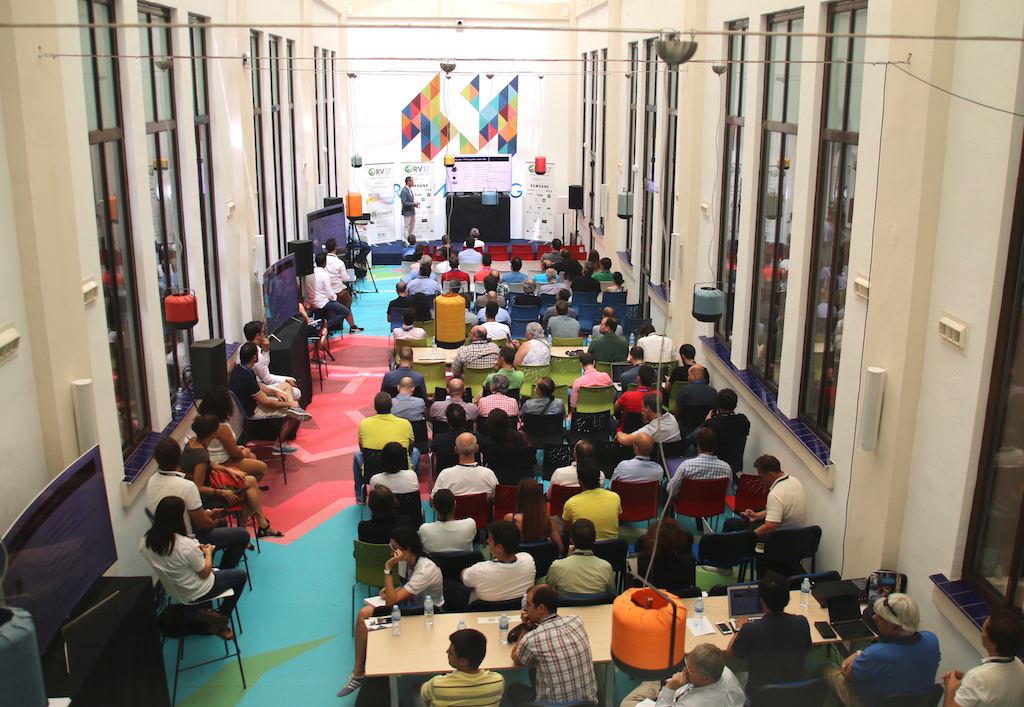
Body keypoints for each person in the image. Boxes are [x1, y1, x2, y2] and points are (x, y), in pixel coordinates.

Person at [337, 526, 445, 697]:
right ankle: (358, 672)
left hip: (426, 614)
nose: (391, 552)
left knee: (374, 612)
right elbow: (404, 589)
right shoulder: (404, 561)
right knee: (363, 614)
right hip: (408, 607)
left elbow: (391, 602)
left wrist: (388, 568)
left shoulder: (426, 569)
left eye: (394, 549)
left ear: (407, 549)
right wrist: (392, 590)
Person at [140, 496, 247, 642]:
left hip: (175, 589)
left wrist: (196, 552)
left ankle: (208, 615)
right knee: (241, 576)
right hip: (197, 589)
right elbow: (204, 573)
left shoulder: (145, 542)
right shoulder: (185, 545)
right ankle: (220, 620)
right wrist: (208, 553)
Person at [820, 593, 941, 707]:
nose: (874, 617)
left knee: (824, 670)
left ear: (896, 626)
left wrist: (858, 655)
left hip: (870, 703)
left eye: (881, 617)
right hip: (917, 702)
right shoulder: (932, 640)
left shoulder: (876, 654)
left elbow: (850, 675)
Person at [147, 436, 251, 566]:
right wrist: (211, 521)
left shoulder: (152, 481)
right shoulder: (187, 486)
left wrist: (207, 514)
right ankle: (223, 569)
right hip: (188, 539)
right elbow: (204, 525)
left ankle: (208, 562)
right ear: (179, 459)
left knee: (222, 523)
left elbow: (181, 513)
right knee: (243, 535)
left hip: (168, 536)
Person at [181, 414, 282, 537]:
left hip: (209, 482)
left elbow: (209, 463)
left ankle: (259, 526)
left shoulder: (193, 443)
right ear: (213, 433)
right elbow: (198, 487)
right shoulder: (201, 455)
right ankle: (247, 531)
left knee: (249, 481)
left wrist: (227, 470)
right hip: (206, 496)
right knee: (246, 494)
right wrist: (223, 493)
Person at [727, 570, 812, 698]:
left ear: (761, 600)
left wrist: (739, 629)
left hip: (760, 695)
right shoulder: (801, 622)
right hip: (795, 692)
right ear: (787, 599)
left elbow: (731, 654)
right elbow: (805, 651)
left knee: (731, 675)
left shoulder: (750, 629)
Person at [509, 584, 598, 706]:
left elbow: (516, 657)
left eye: (528, 604)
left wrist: (526, 628)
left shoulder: (533, 638)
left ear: (541, 608)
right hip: (586, 704)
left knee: (514, 689)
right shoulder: (577, 622)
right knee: (534, 672)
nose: (525, 608)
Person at [228, 343, 309, 452]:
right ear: (254, 357)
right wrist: (290, 403)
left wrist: (275, 392)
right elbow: (266, 402)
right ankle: (278, 446)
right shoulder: (246, 377)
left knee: (286, 386)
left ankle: (293, 408)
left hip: (253, 402)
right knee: (294, 416)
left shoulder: (240, 369)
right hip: (254, 410)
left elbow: (259, 386)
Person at [941, 607, 1024, 707]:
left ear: (993, 644)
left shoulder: (977, 678)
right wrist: (967, 682)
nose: (981, 631)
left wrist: (950, 688)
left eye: (984, 630)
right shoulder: (1019, 666)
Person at [621, 643, 744, 707]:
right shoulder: (723, 671)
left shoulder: (693, 704)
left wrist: (669, 690)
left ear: (707, 678)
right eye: (687, 665)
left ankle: (655, 679)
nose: (684, 670)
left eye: (690, 670)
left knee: (627, 703)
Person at [455, 521, 536, 609]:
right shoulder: (529, 560)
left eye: (490, 539)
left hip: (481, 613)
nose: (487, 541)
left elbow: (464, 577)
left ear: (499, 547)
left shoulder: (479, 570)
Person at [354, 392, 417, 503]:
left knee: (357, 454)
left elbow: (362, 449)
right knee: (416, 452)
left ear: (374, 407)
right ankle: (411, 489)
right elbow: (410, 449)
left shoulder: (364, 423)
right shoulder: (405, 424)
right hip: (401, 467)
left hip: (372, 471)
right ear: (391, 405)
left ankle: (361, 497)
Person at [722, 454, 807, 537]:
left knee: (730, 523)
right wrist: (756, 516)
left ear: (770, 474)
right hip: (796, 533)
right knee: (759, 510)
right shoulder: (794, 481)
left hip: (781, 537)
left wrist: (749, 538)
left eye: (762, 477)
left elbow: (770, 528)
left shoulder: (775, 494)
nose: (761, 480)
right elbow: (779, 509)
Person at [197, 385, 271, 477]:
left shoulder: (203, 419)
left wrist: (238, 449)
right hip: (221, 462)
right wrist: (243, 453)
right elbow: (235, 454)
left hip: (213, 458)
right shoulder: (221, 427)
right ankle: (244, 484)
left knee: (252, 457)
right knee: (262, 468)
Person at [420, 630, 504, 707]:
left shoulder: (437, 684)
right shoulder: (498, 681)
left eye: (451, 652)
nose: (447, 651)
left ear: (463, 661)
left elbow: (424, 694)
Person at [546, 519, 613, 596]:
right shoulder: (606, 567)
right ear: (594, 539)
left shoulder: (557, 566)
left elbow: (549, 592)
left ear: (571, 540)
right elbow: (612, 595)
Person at [560, 458, 622, 541]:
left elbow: (566, 530)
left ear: (580, 481)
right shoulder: (615, 497)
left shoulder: (571, 503)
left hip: (583, 546)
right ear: (599, 478)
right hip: (611, 548)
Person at [666, 428, 732, 499]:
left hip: (688, 504)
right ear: (715, 446)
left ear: (699, 446)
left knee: (667, 483)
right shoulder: (726, 468)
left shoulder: (685, 466)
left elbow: (671, 491)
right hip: (714, 504)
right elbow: (726, 490)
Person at [244, 320, 300, 402]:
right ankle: (290, 407)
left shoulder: (245, 348)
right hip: (261, 387)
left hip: (260, 383)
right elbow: (267, 379)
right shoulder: (257, 356)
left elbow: (264, 367)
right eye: (262, 332)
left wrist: (265, 350)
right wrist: (285, 380)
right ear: (257, 335)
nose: (264, 335)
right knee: (296, 393)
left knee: (291, 380)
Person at [684, 388, 750, 457]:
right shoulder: (744, 421)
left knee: (691, 442)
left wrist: (706, 422)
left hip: (714, 459)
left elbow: (698, 437)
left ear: (718, 404)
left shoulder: (711, 425)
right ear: (735, 404)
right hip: (735, 462)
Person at [504, 478, 563, 554]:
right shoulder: (548, 521)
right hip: (542, 561)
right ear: (540, 497)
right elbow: (560, 549)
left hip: (519, 561)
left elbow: (503, 548)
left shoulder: (510, 519)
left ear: (518, 497)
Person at [432, 432, 498, 501]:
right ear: (476, 448)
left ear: (456, 450)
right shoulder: (489, 474)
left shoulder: (445, 475)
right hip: (482, 508)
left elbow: (433, 501)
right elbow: (496, 498)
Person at [306, 252, 362, 332]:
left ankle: (323, 325)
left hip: (310, 302)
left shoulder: (308, 274)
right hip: (324, 301)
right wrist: (334, 298)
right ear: (325, 263)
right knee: (346, 311)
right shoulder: (324, 274)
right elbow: (330, 293)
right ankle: (324, 326)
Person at [419, 489, 477, 553]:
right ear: (455, 504)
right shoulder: (470, 524)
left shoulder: (425, 530)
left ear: (434, 507)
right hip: (465, 560)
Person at [617, 392, 682, 446]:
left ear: (648, 408)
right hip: (675, 454)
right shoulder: (672, 418)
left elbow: (624, 440)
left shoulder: (651, 430)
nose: (642, 410)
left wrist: (619, 433)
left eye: (643, 407)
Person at [675, 364, 718, 437]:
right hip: (706, 432)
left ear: (694, 375)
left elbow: (677, 411)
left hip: (686, 430)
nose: (688, 377)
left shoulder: (685, 390)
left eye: (689, 375)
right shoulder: (714, 392)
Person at [615, 365, 657, 431]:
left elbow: (616, 408)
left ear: (638, 379)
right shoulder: (658, 395)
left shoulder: (627, 396)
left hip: (626, 433)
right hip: (650, 431)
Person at [324, 237, 353, 309]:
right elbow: (345, 279)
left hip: (325, 291)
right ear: (336, 247)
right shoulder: (339, 263)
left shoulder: (322, 261)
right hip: (338, 291)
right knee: (347, 303)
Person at [400, 175, 420, 242]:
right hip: (407, 212)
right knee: (407, 227)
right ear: (408, 182)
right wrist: (413, 203)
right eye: (412, 181)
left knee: (411, 227)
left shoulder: (410, 190)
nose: (413, 182)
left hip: (412, 211)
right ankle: (407, 241)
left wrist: (414, 205)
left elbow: (410, 201)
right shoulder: (404, 191)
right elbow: (404, 203)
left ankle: (411, 241)